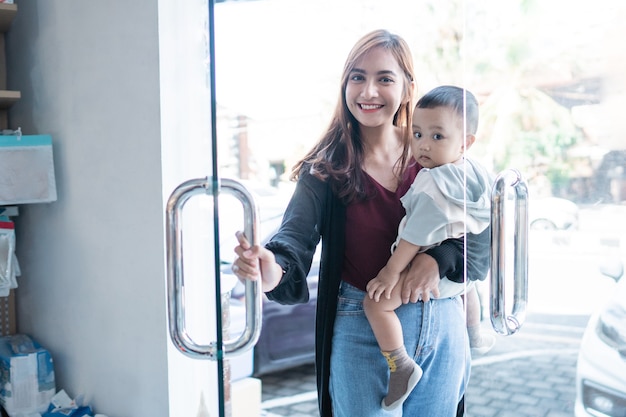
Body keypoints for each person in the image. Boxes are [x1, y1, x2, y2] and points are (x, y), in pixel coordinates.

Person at [231, 29, 490, 417]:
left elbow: (481, 235)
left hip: (442, 319)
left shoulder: (438, 149)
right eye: (357, 77)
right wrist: (270, 268)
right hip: (361, 325)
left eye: (384, 78)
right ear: (344, 86)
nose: (368, 91)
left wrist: (436, 261)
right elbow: (293, 239)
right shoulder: (325, 170)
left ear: (406, 88)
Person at [363, 85, 494, 410]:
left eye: (437, 137)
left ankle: (400, 365)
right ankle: (474, 330)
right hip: (458, 279)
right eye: (418, 134)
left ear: (465, 142)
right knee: (469, 287)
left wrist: (390, 272)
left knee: (375, 304)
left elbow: (415, 236)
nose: (423, 146)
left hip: (427, 275)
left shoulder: (433, 181)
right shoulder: (474, 171)